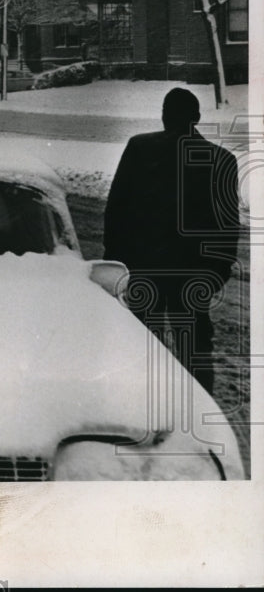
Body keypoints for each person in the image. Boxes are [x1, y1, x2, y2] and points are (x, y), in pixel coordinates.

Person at [103, 87, 240, 398]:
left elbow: (117, 209)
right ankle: (199, 420)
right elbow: (227, 227)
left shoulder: (139, 148)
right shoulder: (222, 160)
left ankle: (144, 416)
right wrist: (217, 272)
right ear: (197, 118)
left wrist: (116, 261)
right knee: (195, 356)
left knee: (143, 352)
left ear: (164, 116)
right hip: (192, 275)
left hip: (144, 270)